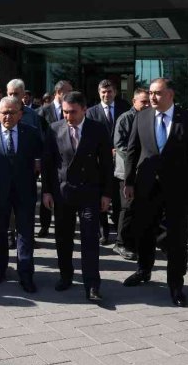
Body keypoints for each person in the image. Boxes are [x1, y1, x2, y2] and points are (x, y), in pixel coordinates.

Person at [123, 78, 188, 308]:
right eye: (150, 93)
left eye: (158, 93)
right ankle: (143, 270)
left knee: (177, 237)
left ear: (171, 94)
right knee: (144, 231)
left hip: (178, 189)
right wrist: (129, 182)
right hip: (146, 187)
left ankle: (176, 285)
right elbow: (132, 151)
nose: (152, 97)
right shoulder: (142, 116)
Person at [41, 91, 113, 302]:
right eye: (64, 112)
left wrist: (107, 194)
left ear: (84, 109)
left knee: (90, 239)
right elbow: (47, 163)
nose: (68, 116)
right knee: (63, 238)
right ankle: (66, 276)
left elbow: (107, 166)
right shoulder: (55, 129)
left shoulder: (97, 130)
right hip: (63, 193)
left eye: (72, 112)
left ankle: (92, 285)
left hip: (90, 193)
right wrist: (46, 191)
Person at [0, 96, 43, 293]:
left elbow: (42, 157)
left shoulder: (31, 133)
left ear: (20, 114)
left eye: (12, 112)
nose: (7, 116)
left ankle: (26, 273)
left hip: (25, 192)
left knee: (25, 233)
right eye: (4, 112)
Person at [86, 79, 131, 245]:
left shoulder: (124, 108)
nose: (106, 95)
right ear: (99, 93)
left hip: (121, 161)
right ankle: (103, 233)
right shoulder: (91, 112)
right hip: (100, 163)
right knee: (101, 200)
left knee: (120, 201)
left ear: (115, 92)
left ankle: (121, 234)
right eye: (103, 92)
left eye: (109, 91)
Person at [111, 88, 150, 261]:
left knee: (138, 208)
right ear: (134, 101)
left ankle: (134, 241)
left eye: (148, 101)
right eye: (143, 101)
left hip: (142, 171)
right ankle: (120, 243)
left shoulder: (149, 117)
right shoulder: (126, 118)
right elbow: (120, 145)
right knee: (126, 208)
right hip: (125, 172)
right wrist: (138, 159)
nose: (147, 104)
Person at [36, 80, 72, 238]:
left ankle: (63, 223)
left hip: (65, 158)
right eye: (68, 91)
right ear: (58, 93)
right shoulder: (44, 111)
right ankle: (44, 225)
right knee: (47, 189)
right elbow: (39, 134)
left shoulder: (71, 109)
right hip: (48, 157)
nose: (71, 94)